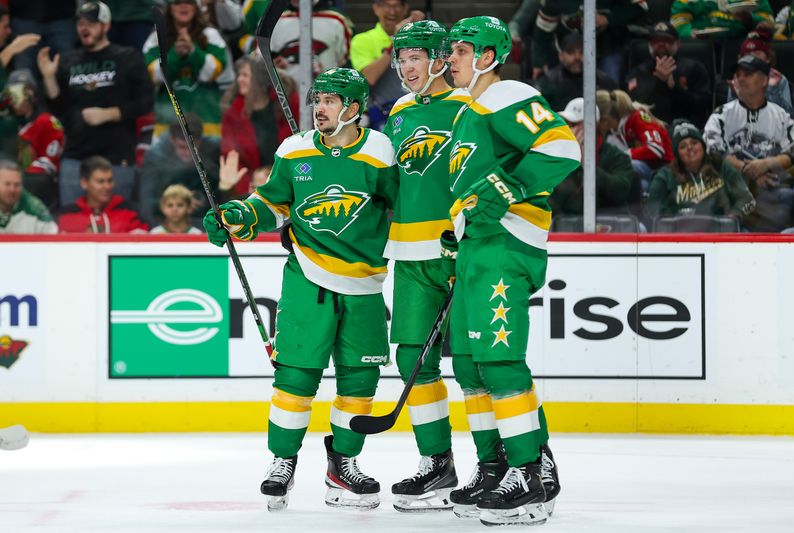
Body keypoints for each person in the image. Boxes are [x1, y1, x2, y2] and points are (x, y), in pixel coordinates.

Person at [203, 67, 397, 511]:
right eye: (317, 101)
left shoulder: (381, 152)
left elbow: (401, 209)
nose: (319, 109)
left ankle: (343, 465)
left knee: (360, 379)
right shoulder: (295, 149)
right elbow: (272, 203)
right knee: (295, 375)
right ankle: (282, 462)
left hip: (366, 284)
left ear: (353, 108)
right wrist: (238, 217)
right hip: (307, 277)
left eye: (330, 101)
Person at [445, 16, 580, 526]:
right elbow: (476, 186)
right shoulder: (469, 111)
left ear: (486, 55)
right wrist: (456, 224)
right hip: (476, 247)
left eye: (460, 50)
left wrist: (506, 189)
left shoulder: (507, 95)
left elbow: (561, 148)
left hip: (506, 245)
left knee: (500, 364)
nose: (450, 59)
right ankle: (496, 465)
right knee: (472, 369)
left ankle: (526, 472)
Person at [381, 20, 471, 513]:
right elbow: (390, 180)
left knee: (479, 364)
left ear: (439, 58)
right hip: (410, 256)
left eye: (415, 57)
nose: (405, 67)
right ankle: (437, 463)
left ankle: (508, 464)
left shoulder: (468, 106)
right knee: (412, 360)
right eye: (401, 58)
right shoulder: (397, 111)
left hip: (458, 251)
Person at [37, 1, 153, 207]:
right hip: (75, 158)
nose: (84, 27)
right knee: (73, 227)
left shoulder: (127, 57)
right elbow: (59, 108)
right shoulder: (67, 60)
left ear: (106, 25)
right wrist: (48, 78)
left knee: (120, 226)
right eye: (80, 23)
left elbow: (146, 102)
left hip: (117, 159)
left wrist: (111, 113)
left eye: (91, 22)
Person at [704, 55, 794, 232]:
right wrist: (747, 170)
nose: (740, 78)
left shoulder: (781, 117)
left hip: (774, 189)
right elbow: (712, 153)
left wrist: (767, 164)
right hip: (733, 188)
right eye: (737, 75)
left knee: (786, 196)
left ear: (764, 80)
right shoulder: (721, 115)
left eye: (747, 74)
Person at [143, 0, 234, 138]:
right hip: (168, 122)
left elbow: (212, 73)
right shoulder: (156, 38)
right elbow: (154, 76)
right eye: (178, 2)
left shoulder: (211, 35)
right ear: (170, 8)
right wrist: (175, 54)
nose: (184, 5)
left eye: (189, 2)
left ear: (195, 7)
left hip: (208, 120)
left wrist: (193, 51)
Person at [220, 55, 299, 198]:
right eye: (239, 75)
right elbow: (233, 161)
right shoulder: (232, 115)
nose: (239, 80)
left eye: (245, 75)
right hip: (253, 190)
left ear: (260, 79)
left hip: (289, 184)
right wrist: (250, 194)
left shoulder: (287, 104)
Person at [648, 121, 755, 225]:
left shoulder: (721, 166)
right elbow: (653, 208)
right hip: (680, 235)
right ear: (677, 155)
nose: (690, 148)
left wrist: (733, 217)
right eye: (683, 146)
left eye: (694, 143)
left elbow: (748, 200)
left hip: (720, 233)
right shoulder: (665, 175)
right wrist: (674, 219)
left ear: (703, 146)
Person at [549, 97, 637, 217]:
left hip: (608, 223)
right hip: (564, 224)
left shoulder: (617, 157)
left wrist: (586, 166)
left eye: (574, 124)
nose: (568, 129)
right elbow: (549, 200)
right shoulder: (554, 155)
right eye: (566, 123)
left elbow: (620, 191)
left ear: (592, 126)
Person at [531, 0, 648, 83]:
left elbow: (640, 7)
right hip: (570, 53)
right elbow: (542, 32)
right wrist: (539, 62)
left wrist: (609, 19)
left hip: (607, 49)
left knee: (608, 92)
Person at [349, 0, 422, 130]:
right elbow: (368, 78)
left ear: (405, 8)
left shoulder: (416, 36)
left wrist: (423, 31)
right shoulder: (362, 40)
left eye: (397, 6)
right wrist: (396, 40)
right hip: (381, 116)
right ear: (376, 8)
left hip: (417, 111)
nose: (392, 11)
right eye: (386, 6)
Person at [625, 22, 712, 129]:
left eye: (667, 41)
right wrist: (659, 81)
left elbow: (703, 105)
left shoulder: (694, 68)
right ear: (649, 45)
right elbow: (634, 105)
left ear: (678, 44)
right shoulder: (638, 72)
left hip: (687, 129)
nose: (661, 44)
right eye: (656, 41)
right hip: (649, 128)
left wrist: (673, 88)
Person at [139, 113, 220, 226]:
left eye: (192, 148)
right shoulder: (156, 157)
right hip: (164, 225)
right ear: (172, 139)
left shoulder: (213, 151)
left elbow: (220, 197)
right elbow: (146, 205)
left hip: (204, 221)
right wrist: (179, 202)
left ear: (200, 141)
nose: (188, 153)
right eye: (182, 147)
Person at [1, 70, 64, 210]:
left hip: (37, 195)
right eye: (13, 93)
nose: (18, 98)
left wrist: (13, 176)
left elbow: (49, 165)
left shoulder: (47, 122)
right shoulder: (6, 124)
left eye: (24, 91)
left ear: (33, 95)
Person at [596, 89, 674, 194]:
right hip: (649, 170)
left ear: (604, 119)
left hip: (666, 168)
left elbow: (656, 149)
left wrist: (625, 155)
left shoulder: (638, 118)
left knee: (625, 164)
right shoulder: (617, 130)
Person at [269, 0, 353, 90]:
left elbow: (346, 64)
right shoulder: (273, 21)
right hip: (284, 98)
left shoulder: (337, 20)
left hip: (325, 95)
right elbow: (260, 63)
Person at [57, 155, 149, 233]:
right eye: (100, 182)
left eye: (110, 181)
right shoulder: (66, 215)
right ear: (84, 183)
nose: (107, 187)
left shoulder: (131, 212)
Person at [533, 32, 617, 114]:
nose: (577, 57)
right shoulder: (549, 81)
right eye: (571, 52)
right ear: (561, 56)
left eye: (581, 52)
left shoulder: (603, 81)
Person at [725, 29, 794, 116]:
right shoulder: (738, 79)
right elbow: (729, 117)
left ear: (768, 58)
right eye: (747, 55)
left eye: (757, 54)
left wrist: (772, 90)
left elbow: (788, 117)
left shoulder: (779, 79)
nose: (752, 58)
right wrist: (736, 93)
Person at [0, 159, 57, 234]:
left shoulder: (34, 208)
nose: (12, 190)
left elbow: (53, 236)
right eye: (7, 184)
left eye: (17, 185)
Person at [670, 0, 773, 40]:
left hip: (743, 45)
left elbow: (768, 22)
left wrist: (750, 19)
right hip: (702, 44)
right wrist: (690, 33)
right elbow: (678, 23)